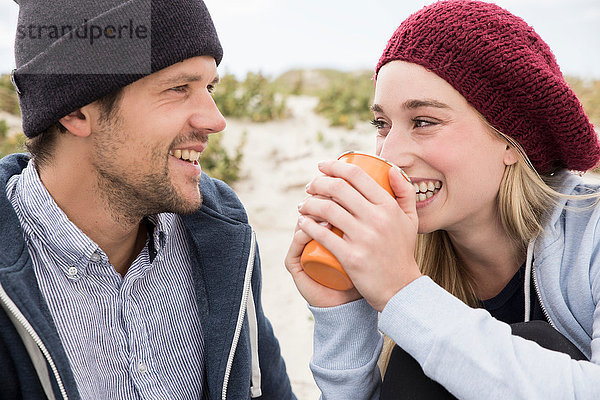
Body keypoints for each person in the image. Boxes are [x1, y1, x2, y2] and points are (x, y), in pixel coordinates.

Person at [285, 0, 600, 398]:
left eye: (424, 122)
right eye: (381, 124)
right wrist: (342, 310)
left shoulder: (592, 233)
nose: (389, 155)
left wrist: (404, 292)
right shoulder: (397, 252)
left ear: (510, 139)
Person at [0, 1, 295, 399]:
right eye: (178, 88)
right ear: (76, 111)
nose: (215, 120)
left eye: (209, 88)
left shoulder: (222, 241)